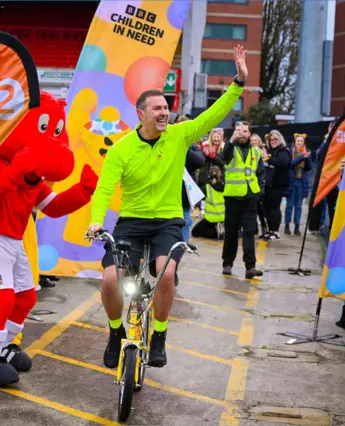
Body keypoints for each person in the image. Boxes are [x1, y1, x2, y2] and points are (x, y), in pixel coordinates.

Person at [87, 45, 248, 369]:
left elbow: (212, 116)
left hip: (167, 222)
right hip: (131, 222)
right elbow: (104, 189)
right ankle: (115, 332)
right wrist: (95, 223)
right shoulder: (121, 149)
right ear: (141, 114)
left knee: (166, 275)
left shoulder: (178, 135)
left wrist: (239, 82)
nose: (164, 113)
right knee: (109, 281)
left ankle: (159, 334)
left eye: (166, 108)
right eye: (157, 108)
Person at [220, 121, 265, 279]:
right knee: (231, 232)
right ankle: (227, 263)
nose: (242, 133)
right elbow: (224, 158)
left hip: (250, 197)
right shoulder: (230, 147)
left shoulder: (257, 152)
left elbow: (260, 173)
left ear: (250, 133)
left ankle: (250, 267)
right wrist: (231, 140)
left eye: (245, 131)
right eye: (239, 131)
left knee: (249, 232)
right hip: (233, 196)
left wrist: (259, 192)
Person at [260, 130, 291, 240]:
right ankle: (269, 230)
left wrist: (268, 158)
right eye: (271, 139)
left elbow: (283, 162)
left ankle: (275, 231)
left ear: (280, 139)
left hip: (277, 184)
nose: (273, 141)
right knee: (266, 208)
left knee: (274, 207)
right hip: (267, 183)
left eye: (275, 139)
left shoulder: (284, 151)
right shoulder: (269, 150)